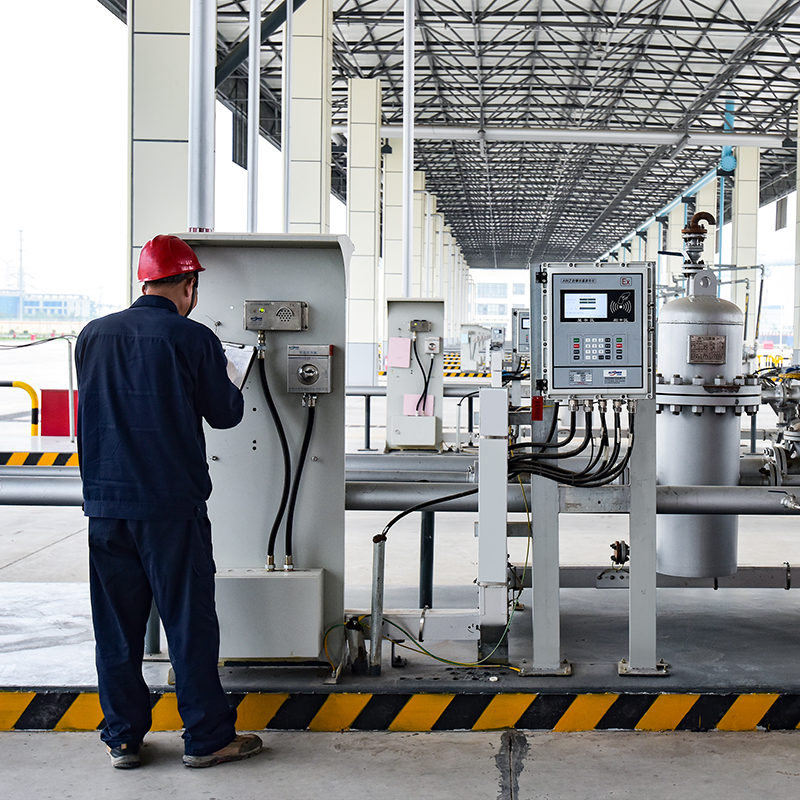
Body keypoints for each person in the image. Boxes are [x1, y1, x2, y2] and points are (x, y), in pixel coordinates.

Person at [75, 234, 262, 769]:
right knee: (188, 623)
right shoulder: (194, 337)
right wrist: (232, 376)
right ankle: (206, 738)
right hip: (171, 508)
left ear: (145, 282)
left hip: (106, 506)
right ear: (188, 285)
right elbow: (225, 415)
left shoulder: (92, 334)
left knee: (116, 629)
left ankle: (123, 738)